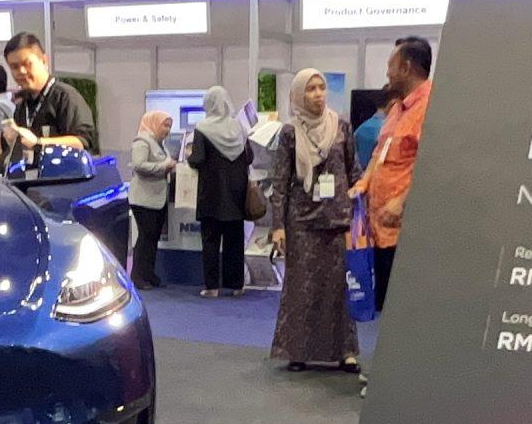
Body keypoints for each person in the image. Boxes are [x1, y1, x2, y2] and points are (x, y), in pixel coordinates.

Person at [267, 68, 359, 370]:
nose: (318, 94)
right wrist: (278, 227)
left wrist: (358, 210)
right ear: (298, 95)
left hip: (337, 220)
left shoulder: (341, 126)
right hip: (302, 222)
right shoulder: (290, 133)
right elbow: (280, 182)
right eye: (311, 89)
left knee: (338, 288)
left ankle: (345, 352)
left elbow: (353, 170)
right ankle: (298, 351)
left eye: (321, 87)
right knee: (301, 288)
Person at [355, 34, 432, 314]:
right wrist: (363, 183)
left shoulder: (430, 107)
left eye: (391, 66)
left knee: (402, 310)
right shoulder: (397, 109)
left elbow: (430, 165)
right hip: (379, 228)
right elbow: (380, 153)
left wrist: (400, 202)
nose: (387, 73)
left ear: (406, 68)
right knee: (383, 307)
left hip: (405, 232)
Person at [184, 85, 253, 298]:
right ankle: (236, 285)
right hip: (236, 194)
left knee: (211, 241)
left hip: (211, 194)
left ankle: (212, 287)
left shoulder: (203, 129)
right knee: (235, 241)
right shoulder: (239, 127)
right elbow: (249, 157)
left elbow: (198, 159)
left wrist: (188, 155)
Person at [0, 32, 95, 159]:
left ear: (44, 61)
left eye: (27, 64)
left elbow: (81, 143)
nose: (21, 71)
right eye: (14, 67)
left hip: (64, 171)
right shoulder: (22, 105)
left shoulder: (65, 97)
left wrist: (38, 143)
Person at [124, 109, 174, 288]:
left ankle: (149, 273)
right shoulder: (142, 141)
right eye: (165, 125)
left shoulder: (159, 144)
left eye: (169, 126)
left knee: (153, 237)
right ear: (154, 124)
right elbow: (138, 165)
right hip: (143, 200)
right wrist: (164, 166)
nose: (167, 130)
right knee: (145, 238)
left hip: (157, 199)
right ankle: (138, 276)